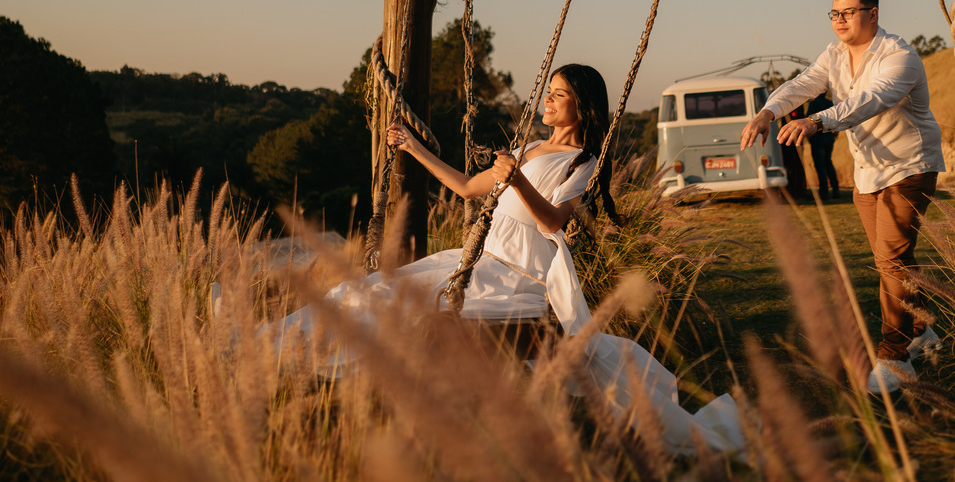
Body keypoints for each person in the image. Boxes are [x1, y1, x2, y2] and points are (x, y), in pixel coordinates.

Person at [266, 64, 745, 455]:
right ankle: (276, 353)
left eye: (559, 94)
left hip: (516, 276)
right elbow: (465, 187)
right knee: (360, 291)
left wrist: (518, 181)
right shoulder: (529, 148)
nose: (548, 100)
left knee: (412, 311)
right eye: (549, 92)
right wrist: (412, 147)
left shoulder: (583, 162)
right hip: (476, 259)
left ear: (581, 106)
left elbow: (553, 222)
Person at [739, 0, 945, 395]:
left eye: (848, 12)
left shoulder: (899, 56)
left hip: (910, 167)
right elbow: (802, 84)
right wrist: (768, 112)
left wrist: (817, 121)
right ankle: (922, 330)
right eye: (834, 13)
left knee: (891, 260)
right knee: (893, 261)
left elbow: (872, 99)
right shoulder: (833, 55)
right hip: (868, 173)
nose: (839, 21)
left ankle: (895, 357)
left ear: (873, 14)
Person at [806, 93, 839, 199]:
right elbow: (836, 118)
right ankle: (835, 190)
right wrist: (835, 133)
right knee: (828, 162)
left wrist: (809, 137)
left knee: (820, 166)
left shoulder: (813, 104)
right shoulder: (830, 103)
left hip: (818, 138)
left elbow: (810, 120)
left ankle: (824, 192)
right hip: (829, 137)